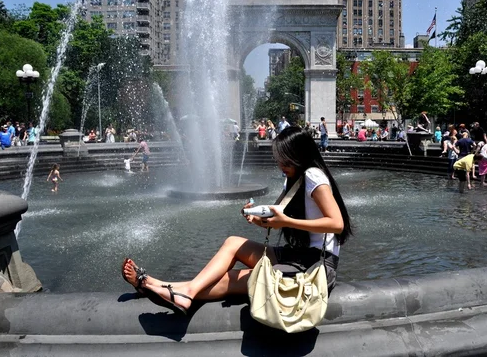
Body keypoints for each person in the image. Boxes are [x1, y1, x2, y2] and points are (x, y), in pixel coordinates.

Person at [121, 126, 352, 313]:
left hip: (316, 264)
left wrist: (286, 222)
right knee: (233, 242)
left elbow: (336, 223)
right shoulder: (293, 180)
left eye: (285, 161)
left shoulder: (313, 175)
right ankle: (173, 290)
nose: (280, 165)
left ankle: (153, 285)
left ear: (299, 156)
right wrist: (259, 216)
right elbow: (279, 215)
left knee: (235, 277)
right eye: (278, 160)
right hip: (296, 256)